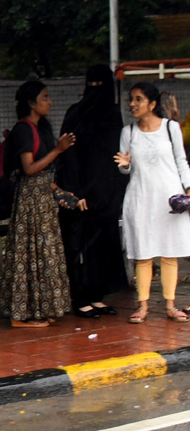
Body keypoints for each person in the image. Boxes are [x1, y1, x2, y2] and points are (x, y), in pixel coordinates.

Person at [1, 81, 84, 328]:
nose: (49, 101)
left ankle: (37, 309)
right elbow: (29, 169)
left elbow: (40, 175)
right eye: (45, 97)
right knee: (30, 254)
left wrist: (59, 191)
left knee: (42, 254)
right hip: (30, 202)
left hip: (42, 199)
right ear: (31, 103)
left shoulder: (38, 129)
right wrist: (58, 150)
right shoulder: (24, 130)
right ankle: (20, 316)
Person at [114, 81, 190, 324]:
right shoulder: (129, 132)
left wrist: (188, 189)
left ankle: (170, 305)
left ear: (152, 103)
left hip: (169, 200)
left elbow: (181, 161)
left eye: (138, 99)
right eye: (131, 99)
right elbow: (125, 170)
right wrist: (124, 165)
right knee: (143, 252)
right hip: (140, 198)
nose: (132, 104)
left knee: (170, 253)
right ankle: (143, 306)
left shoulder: (171, 128)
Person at [58, 65, 128, 319]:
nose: (95, 90)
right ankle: (80, 298)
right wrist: (75, 193)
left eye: (100, 85)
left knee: (102, 247)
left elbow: (114, 157)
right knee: (79, 246)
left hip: (107, 196)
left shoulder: (113, 115)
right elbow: (69, 156)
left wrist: (113, 193)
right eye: (92, 84)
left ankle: (97, 296)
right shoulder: (75, 114)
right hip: (83, 196)